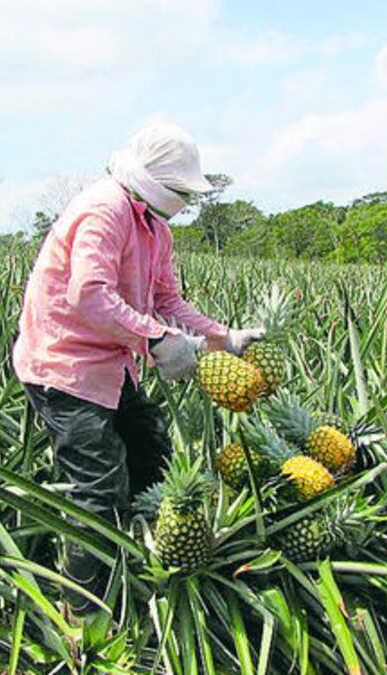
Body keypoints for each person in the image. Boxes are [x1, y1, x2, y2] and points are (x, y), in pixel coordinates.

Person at [13, 122, 262, 613]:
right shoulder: (103, 210)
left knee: (152, 457)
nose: (185, 202)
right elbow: (89, 295)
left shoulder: (155, 227)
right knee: (99, 488)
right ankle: (84, 615)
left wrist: (222, 336)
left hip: (112, 363)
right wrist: (157, 339)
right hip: (64, 366)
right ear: (154, 181)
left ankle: (142, 568)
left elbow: (167, 299)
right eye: (180, 191)